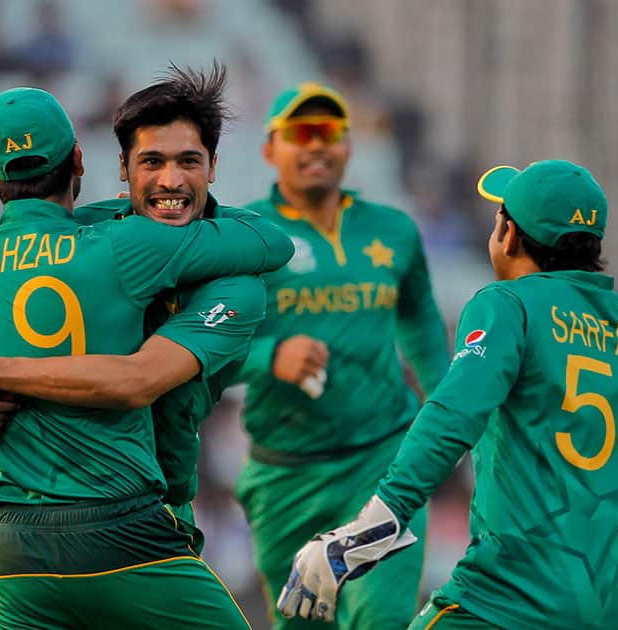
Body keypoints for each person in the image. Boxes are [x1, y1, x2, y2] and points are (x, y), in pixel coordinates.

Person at [277, 160, 618, 630]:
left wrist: (373, 527)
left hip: (505, 602)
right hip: (615, 616)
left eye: (500, 214)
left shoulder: (507, 304)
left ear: (509, 233)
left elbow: (451, 414)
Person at [0, 72, 290, 630]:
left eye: (188, 161)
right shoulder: (118, 243)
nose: (170, 180)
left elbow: (137, 379)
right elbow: (271, 239)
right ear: (101, 168)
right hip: (112, 520)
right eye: (152, 162)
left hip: (36, 530)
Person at [232, 82, 450, 629]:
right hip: (286, 475)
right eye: (300, 133)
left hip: (381, 464)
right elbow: (198, 350)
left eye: (329, 132)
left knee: (382, 619)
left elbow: (419, 317)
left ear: (349, 147)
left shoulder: (394, 229)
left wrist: (449, 411)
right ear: (269, 149)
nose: (316, 146)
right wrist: (270, 355)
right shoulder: (243, 236)